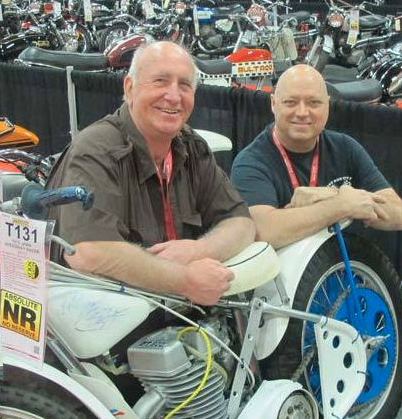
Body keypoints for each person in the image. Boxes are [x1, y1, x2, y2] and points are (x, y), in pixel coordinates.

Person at [43, 40, 255, 306]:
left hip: (173, 316)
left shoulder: (191, 146)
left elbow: (242, 223)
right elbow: (88, 252)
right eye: (160, 81)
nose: (174, 96)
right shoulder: (97, 148)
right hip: (97, 317)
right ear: (129, 88)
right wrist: (184, 280)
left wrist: (199, 250)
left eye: (184, 85)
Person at [230, 64, 402, 332]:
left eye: (313, 103)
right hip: (281, 284)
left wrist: (332, 196)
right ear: (273, 104)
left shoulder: (345, 147)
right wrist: (341, 205)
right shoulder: (252, 161)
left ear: (327, 105)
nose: (302, 112)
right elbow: (263, 230)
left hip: (336, 269)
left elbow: (398, 215)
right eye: (291, 102)